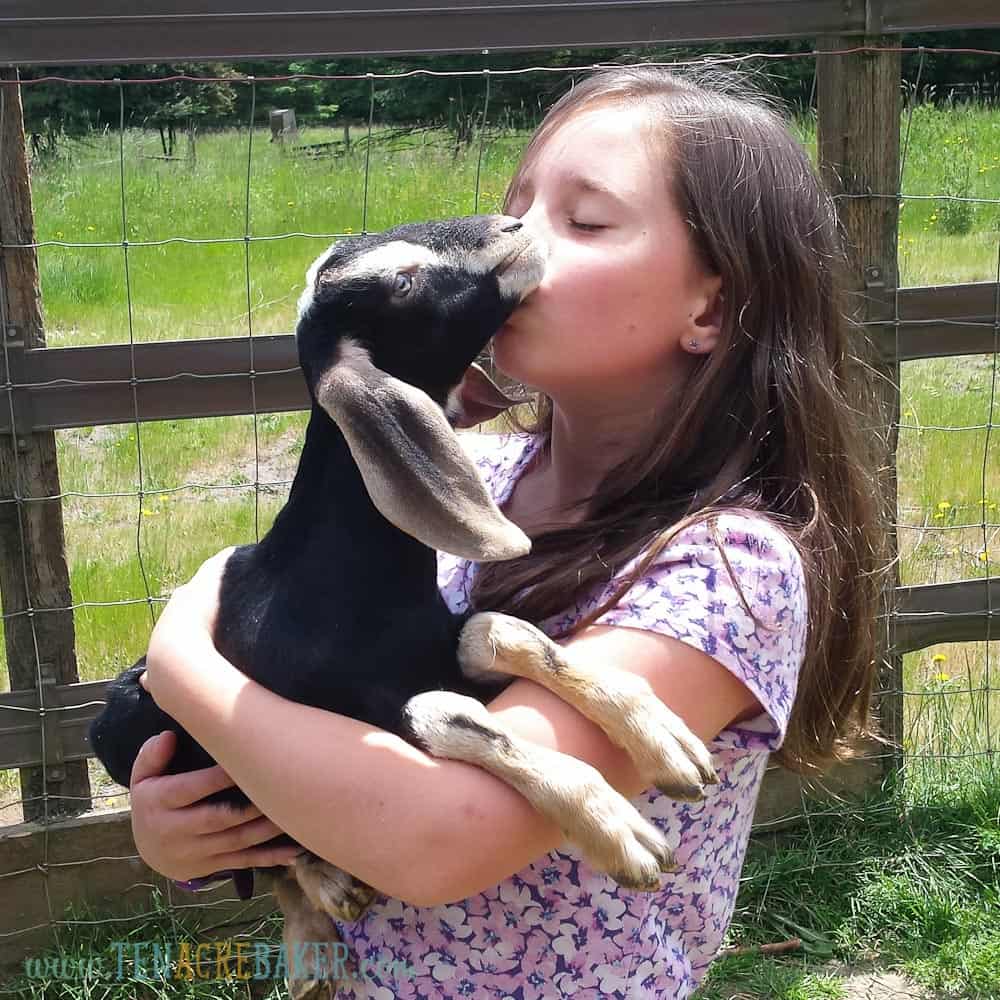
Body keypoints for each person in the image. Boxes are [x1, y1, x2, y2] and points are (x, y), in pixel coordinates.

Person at [130, 64, 886, 998]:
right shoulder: (465, 485)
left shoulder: (727, 566)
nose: (516, 237)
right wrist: (195, 833)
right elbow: (326, 704)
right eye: (519, 202)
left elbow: (438, 837)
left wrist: (183, 668)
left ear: (712, 308)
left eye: (585, 221)